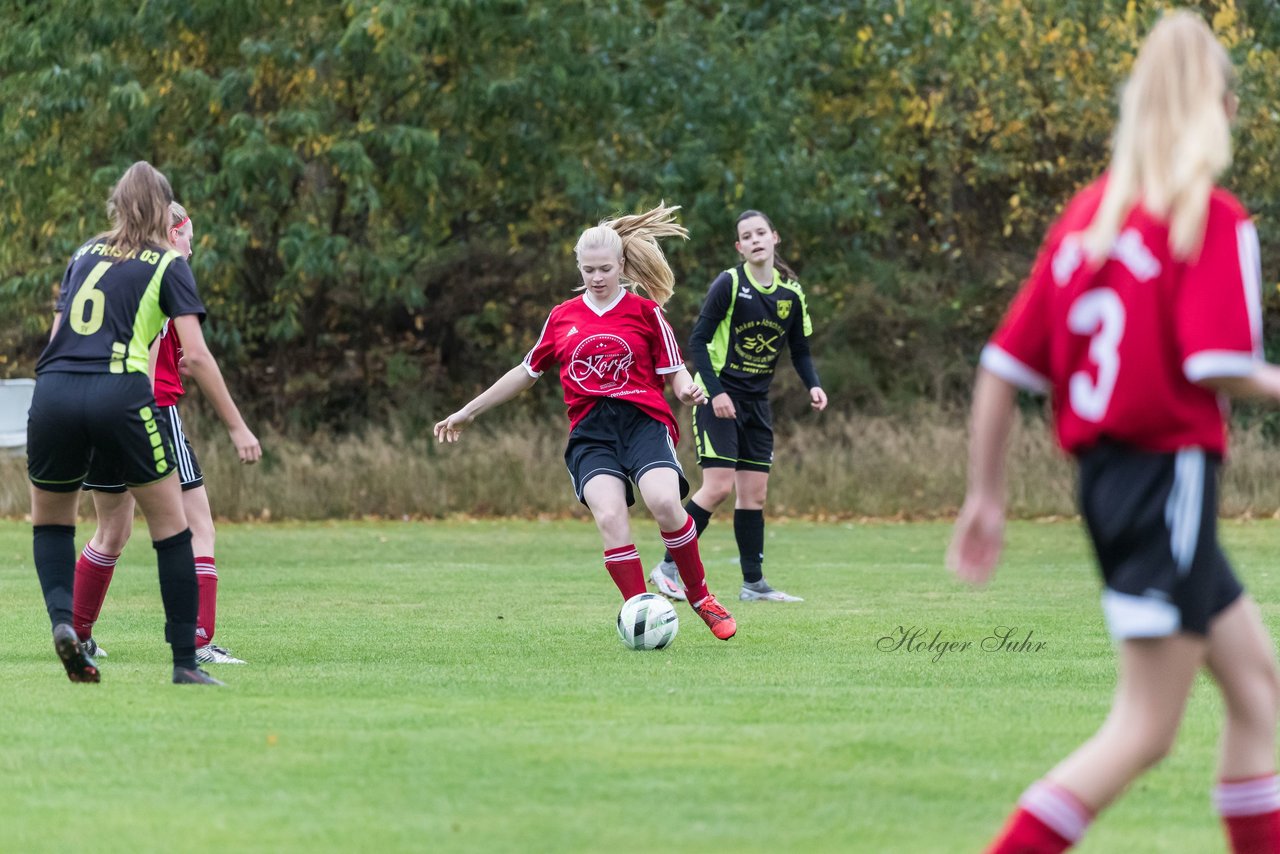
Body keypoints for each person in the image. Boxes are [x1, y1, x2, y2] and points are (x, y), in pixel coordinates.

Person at [947, 13, 1280, 853]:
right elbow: (1216, 366)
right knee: (1144, 730)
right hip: (1169, 479)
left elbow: (999, 369)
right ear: (1220, 108)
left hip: (1112, 483)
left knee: (1260, 695)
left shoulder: (1089, 221)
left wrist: (987, 497)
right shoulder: (1206, 214)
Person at [434, 204, 738, 641]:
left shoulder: (646, 313)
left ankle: (700, 596)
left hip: (643, 423)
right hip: (591, 433)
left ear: (622, 266)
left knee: (665, 504)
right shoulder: (562, 317)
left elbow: (674, 371)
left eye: (605, 269)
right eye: (589, 269)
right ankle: (638, 610)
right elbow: (525, 372)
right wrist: (468, 410)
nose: (597, 277)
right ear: (579, 268)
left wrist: (688, 389)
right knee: (611, 516)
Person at [27, 161, 257, 685]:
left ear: (116, 202)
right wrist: (239, 427)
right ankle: (189, 657)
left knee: (60, 525)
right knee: (179, 530)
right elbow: (193, 356)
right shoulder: (165, 264)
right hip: (128, 402)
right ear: (165, 213)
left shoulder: (83, 253)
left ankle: (69, 627)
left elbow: (57, 335)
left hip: (56, 393)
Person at [649, 210, 827, 604]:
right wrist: (717, 393)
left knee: (755, 495)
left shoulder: (790, 294)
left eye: (761, 232)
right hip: (717, 397)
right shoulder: (729, 284)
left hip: (756, 405)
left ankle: (754, 584)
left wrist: (813, 386)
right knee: (717, 488)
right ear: (739, 247)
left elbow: (799, 349)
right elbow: (697, 341)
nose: (755, 239)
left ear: (774, 237)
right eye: (747, 236)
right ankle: (667, 566)